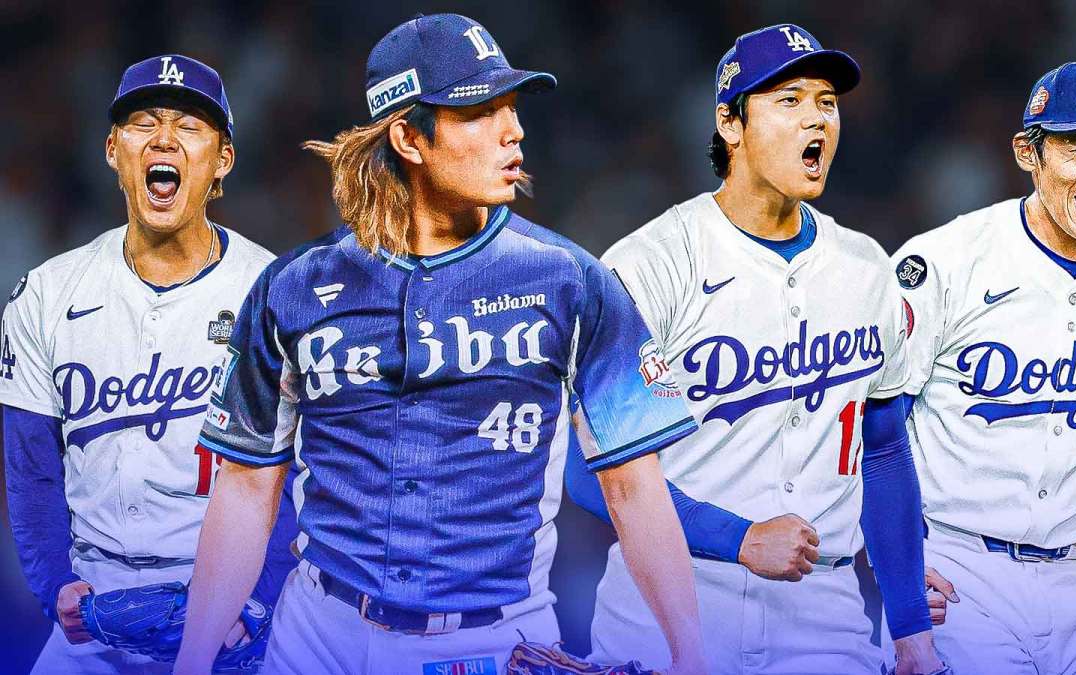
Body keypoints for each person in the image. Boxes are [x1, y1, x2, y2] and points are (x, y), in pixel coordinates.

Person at [174, 13, 706, 675]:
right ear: (407, 137)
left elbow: (634, 487)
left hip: (488, 641)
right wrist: (191, 661)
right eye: (479, 111)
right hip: (320, 633)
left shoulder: (572, 282)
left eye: (511, 107)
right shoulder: (295, 287)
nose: (514, 130)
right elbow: (248, 489)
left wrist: (691, 653)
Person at [575, 23, 946, 675]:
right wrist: (738, 536)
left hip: (822, 613)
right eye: (789, 100)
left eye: (826, 102)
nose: (816, 119)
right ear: (730, 123)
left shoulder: (866, 268)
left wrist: (911, 623)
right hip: (667, 608)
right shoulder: (650, 265)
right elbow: (588, 471)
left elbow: (884, 446)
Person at [891, 61, 1076, 673]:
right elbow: (873, 428)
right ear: (1029, 152)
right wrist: (893, 559)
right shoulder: (943, 262)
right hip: (957, 572)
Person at [0, 54, 296, 673]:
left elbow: (305, 473)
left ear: (222, 161)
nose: (164, 138)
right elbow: (30, 467)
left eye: (189, 126)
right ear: (114, 150)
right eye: (143, 123)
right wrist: (54, 583)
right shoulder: (48, 293)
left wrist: (260, 599)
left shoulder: (272, 291)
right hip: (94, 608)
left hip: (227, 605)